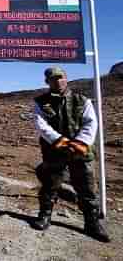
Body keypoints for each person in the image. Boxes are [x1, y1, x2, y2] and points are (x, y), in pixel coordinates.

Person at [31, 66, 110, 242]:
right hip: (54, 150)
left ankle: (92, 223)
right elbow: (41, 125)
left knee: (87, 188)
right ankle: (45, 215)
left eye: (61, 77)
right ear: (47, 82)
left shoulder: (82, 100)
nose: (57, 81)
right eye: (53, 79)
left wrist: (79, 143)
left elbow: (91, 123)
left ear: (66, 79)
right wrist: (61, 141)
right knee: (50, 185)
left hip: (81, 151)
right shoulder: (40, 102)